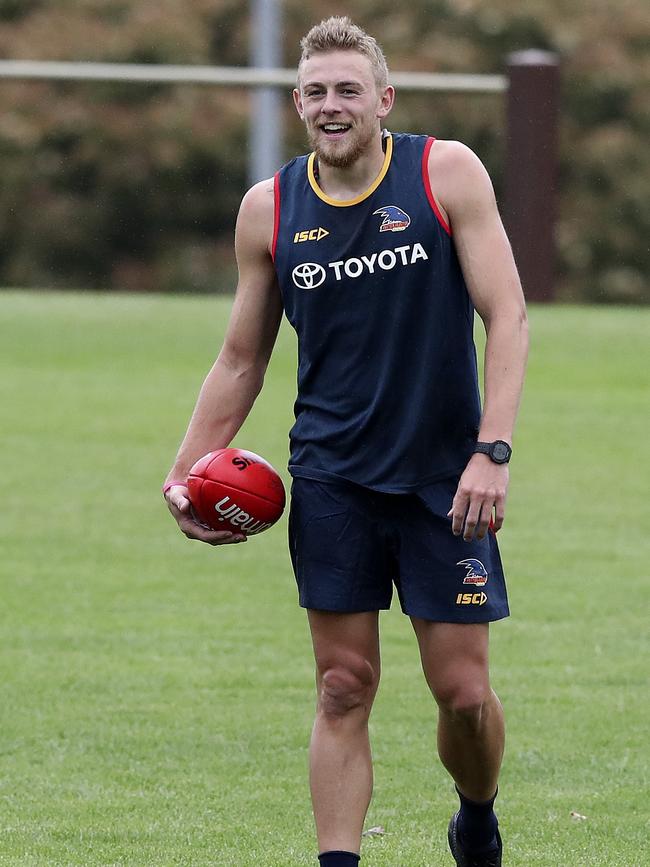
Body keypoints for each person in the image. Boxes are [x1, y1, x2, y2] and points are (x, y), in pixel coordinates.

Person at [163, 16, 528, 867]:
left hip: (446, 477)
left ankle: (476, 812)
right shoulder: (271, 208)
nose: (332, 106)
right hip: (331, 477)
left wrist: (494, 449)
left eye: (348, 91)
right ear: (298, 103)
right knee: (342, 685)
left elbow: (506, 315)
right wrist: (184, 471)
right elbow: (242, 358)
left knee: (465, 695)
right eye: (317, 92)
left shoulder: (446, 173)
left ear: (383, 100)